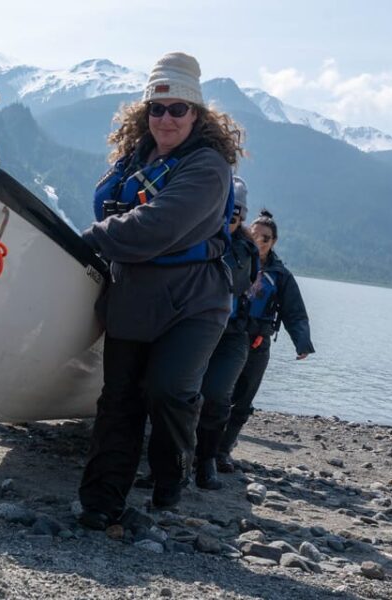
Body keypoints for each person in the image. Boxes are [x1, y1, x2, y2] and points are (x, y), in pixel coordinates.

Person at [77, 51, 244, 529]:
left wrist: (85, 239)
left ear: (197, 114)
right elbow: (113, 213)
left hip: (195, 300)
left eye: (177, 109)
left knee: (169, 391)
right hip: (133, 295)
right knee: (119, 400)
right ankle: (100, 501)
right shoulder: (133, 161)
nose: (165, 119)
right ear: (144, 112)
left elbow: (156, 226)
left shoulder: (208, 167)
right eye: (156, 108)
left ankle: (171, 475)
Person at [215, 209, 316, 471]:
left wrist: (302, 342)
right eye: (255, 235)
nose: (259, 241)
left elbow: (294, 312)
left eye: (266, 238)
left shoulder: (280, 275)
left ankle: (223, 450)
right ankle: (202, 447)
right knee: (216, 393)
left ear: (274, 242)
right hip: (225, 336)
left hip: (258, 341)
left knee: (243, 399)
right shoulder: (232, 258)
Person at [193, 176, 261, 489]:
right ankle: (174, 460)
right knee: (179, 393)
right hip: (191, 327)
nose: (232, 219)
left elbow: (235, 282)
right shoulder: (191, 234)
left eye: (237, 214)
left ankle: (207, 459)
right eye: (226, 212)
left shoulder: (245, 250)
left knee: (218, 393)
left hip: (231, 334)